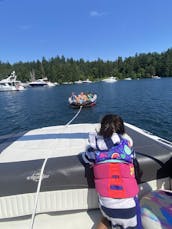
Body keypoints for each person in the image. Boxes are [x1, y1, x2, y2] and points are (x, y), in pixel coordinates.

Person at [82, 114, 142, 229]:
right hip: (129, 206)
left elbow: (86, 158)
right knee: (132, 212)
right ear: (123, 132)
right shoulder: (128, 148)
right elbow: (133, 159)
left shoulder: (93, 149)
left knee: (107, 218)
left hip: (106, 204)